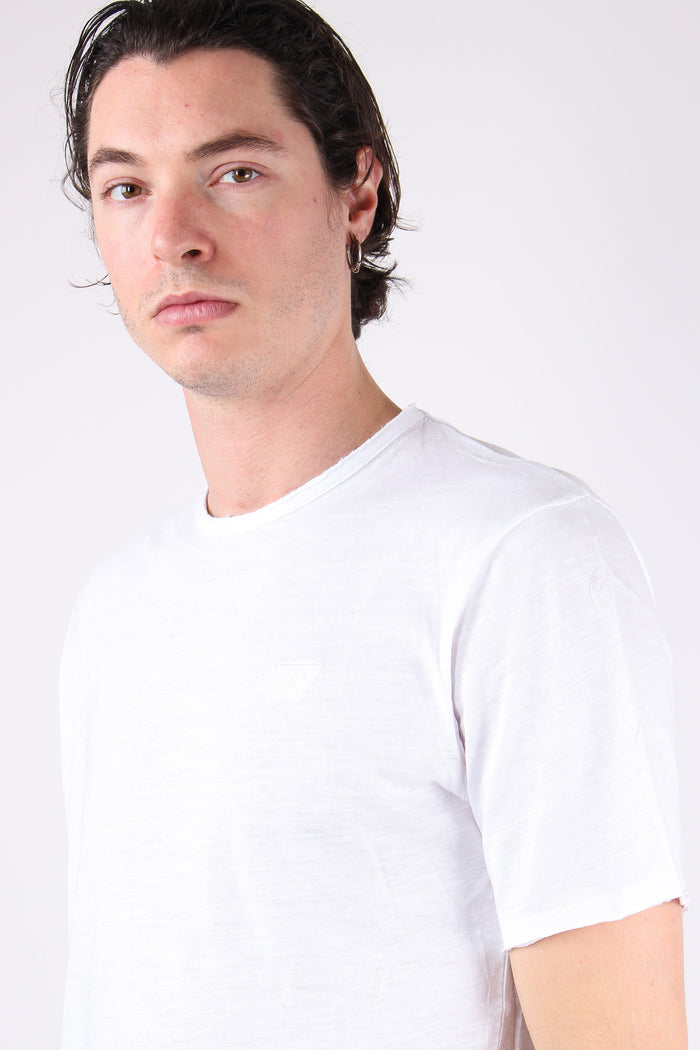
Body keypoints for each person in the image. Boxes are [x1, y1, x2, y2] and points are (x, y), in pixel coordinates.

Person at [59, 1, 688, 1047]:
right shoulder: (116, 608)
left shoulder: (517, 555)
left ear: (358, 191)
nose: (171, 236)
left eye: (234, 172)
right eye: (126, 187)